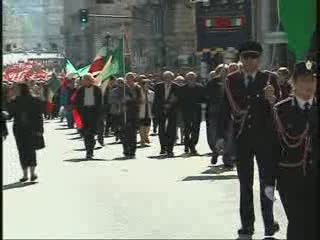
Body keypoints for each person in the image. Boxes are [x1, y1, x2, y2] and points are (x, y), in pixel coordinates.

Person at [216, 41, 281, 238]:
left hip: (266, 139)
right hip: (242, 139)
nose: (250, 61)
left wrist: (273, 99)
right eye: (246, 57)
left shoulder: (270, 79)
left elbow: (281, 107)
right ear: (240, 60)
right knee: (245, 184)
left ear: (259, 60)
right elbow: (224, 109)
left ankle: (269, 223)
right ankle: (247, 224)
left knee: (267, 183)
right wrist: (220, 136)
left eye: (253, 58)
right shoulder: (231, 80)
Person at [264, 61, 318, 240]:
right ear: (294, 82)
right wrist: (269, 183)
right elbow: (272, 150)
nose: (308, 85)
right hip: (291, 178)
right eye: (303, 80)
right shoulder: (281, 110)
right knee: (297, 223)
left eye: (312, 80)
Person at [7, 83, 45, 182]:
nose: (14, 90)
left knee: (23, 150)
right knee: (30, 150)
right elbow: (39, 116)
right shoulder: (33, 100)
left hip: (21, 128)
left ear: (20, 90)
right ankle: (30, 173)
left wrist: (9, 103)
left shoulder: (16, 101)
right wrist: (40, 130)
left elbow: (9, 115)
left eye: (15, 89)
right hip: (27, 128)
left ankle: (26, 174)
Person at [205, 65, 236, 168]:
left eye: (227, 71)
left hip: (228, 113)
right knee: (215, 135)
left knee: (229, 136)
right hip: (215, 113)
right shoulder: (213, 82)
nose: (225, 73)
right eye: (223, 71)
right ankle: (215, 151)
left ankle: (227, 157)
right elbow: (207, 96)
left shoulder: (232, 82)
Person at [75, 74, 102, 159]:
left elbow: (100, 102)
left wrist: (100, 113)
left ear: (90, 80)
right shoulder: (80, 90)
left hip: (94, 114)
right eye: (83, 80)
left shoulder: (97, 89)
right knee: (86, 134)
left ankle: (91, 149)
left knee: (92, 133)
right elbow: (78, 102)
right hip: (84, 114)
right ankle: (88, 151)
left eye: (86, 80)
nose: (84, 81)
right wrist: (80, 112)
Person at [115, 73, 142, 158]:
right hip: (124, 113)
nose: (129, 80)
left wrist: (132, 99)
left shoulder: (137, 88)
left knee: (133, 133)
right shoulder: (123, 88)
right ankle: (126, 149)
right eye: (128, 78)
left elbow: (140, 100)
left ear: (133, 79)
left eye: (131, 78)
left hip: (134, 113)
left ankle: (132, 150)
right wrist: (122, 101)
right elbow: (117, 99)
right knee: (124, 133)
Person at [153, 71, 179, 157]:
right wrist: (160, 108)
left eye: (170, 77)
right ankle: (163, 147)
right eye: (166, 77)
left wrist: (171, 105)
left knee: (171, 130)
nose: (168, 79)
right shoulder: (158, 86)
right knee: (161, 130)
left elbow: (178, 100)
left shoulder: (176, 87)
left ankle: (170, 149)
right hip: (161, 111)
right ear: (163, 78)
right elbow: (156, 99)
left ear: (172, 78)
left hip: (172, 111)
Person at [179, 72, 205, 155]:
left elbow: (204, 98)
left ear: (195, 79)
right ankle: (187, 145)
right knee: (187, 129)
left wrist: (202, 103)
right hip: (186, 111)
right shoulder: (182, 88)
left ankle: (192, 145)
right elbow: (180, 100)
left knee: (196, 129)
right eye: (189, 78)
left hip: (196, 111)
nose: (191, 80)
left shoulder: (200, 87)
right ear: (186, 79)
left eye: (193, 78)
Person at [138, 79, 155, 146]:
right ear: (142, 85)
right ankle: (142, 140)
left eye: (148, 84)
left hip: (149, 111)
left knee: (147, 126)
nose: (147, 85)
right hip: (141, 111)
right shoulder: (139, 92)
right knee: (141, 126)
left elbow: (154, 101)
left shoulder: (152, 93)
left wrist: (150, 102)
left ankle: (146, 136)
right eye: (146, 84)